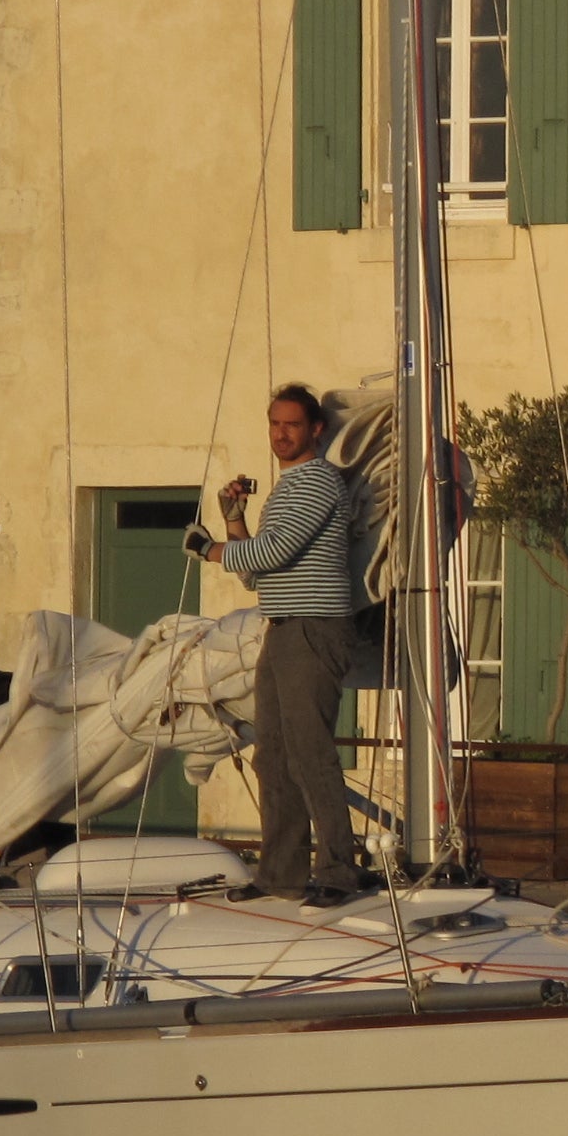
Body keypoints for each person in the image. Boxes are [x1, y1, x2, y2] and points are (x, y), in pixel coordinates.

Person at [188, 384, 366, 905]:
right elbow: (258, 574)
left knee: (311, 754)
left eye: (291, 424)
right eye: (273, 423)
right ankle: (280, 873)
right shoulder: (287, 491)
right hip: (284, 626)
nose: (279, 434)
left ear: (315, 430)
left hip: (314, 628)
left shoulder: (315, 481)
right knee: (275, 756)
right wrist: (234, 518)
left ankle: (337, 873)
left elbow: (276, 550)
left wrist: (207, 547)